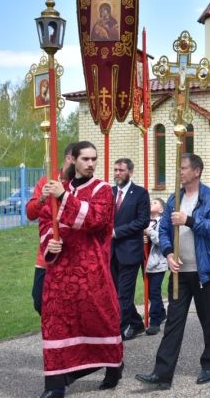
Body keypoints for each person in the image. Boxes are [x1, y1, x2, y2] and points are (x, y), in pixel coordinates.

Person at [38, 141, 123, 398]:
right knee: (54, 322)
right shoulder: (58, 188)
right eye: (85, 159)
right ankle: (54, 384)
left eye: (94, 159)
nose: (90, 164)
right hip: (60, 270)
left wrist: (63, 198)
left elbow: (95, 219)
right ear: (72, 160)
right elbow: (44, 219)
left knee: (100, 321)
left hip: (91, 270)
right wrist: (49, 244)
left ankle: (113, 364)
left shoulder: (103, 189)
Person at [136, 153, 210, 390]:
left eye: (184, 168)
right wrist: (167, 252)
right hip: (179, 273)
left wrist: (189, 220)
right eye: (179, 168)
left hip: (204, 272)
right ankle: (162, 374)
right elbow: (164, 230)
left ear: (196, 171)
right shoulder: (174, 198)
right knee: (174, 322)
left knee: (208, 320)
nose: (180, 172)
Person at [26, 143, 75, 316]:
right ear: (69, 158)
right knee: (39, 300)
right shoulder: (47, 180)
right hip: (47, 252)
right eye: (79, 160)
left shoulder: (79, 184)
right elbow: (30, 213)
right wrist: (42, 198)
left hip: (72, 253)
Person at [111, 158, 151, 340]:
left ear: (130, 172)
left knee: (123, 295)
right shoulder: (109, 192)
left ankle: (118, 331)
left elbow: (142, 221)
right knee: (114, 292)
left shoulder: (140, 194)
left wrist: (117, 232)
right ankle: (136, 322)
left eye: (121, 170)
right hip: (110, 253)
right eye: (115, 170)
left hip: (129, 252)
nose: (117, 173)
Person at [144, 198, 167, 336]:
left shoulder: (163, 222)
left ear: (161, 210)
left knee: (154, 291)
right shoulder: (145, 221)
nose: (151, 203)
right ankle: (162, 312)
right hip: (147, 262)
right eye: (150, 202)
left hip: (158, 262)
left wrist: (149, 232)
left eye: (155, 202)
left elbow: (161, 240)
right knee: (149, 293)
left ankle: (155, 322)